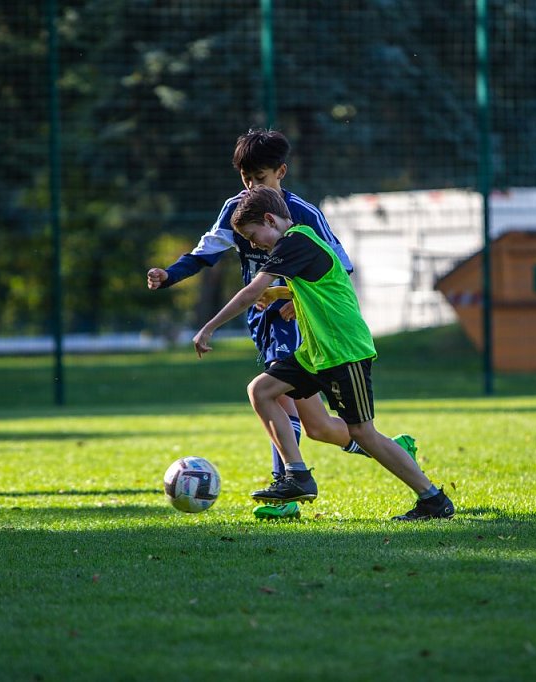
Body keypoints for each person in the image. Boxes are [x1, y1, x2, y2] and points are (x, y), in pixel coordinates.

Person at [147, 129, 417, 519]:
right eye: (246, 178)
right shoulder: (235, 210)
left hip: (299, 320)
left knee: (273, 393)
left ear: (281, 172)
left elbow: (339, 267)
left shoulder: (303, 215)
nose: (252, 187)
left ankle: (288, 489)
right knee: (318, 426)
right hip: (262, 318)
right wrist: (169, 275)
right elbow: (205, 253)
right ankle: (391, 448)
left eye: (260, 178)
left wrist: (293, 298)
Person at [193, 185, 455, 521]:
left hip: (344, 351)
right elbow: (321, 285)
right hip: (317, 352)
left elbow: (250, 292)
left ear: (270, 220)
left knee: (363, 434)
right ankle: (297, 475)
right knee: (261, 390)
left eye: (252, 236)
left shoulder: (295, 242)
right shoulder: (298, 242)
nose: (253, 244)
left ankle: (433, 499)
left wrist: (209, 327)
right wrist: (281, 294)